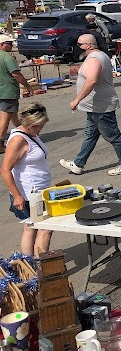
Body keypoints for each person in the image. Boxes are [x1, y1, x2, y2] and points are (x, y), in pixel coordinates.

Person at [59, 34, 121, 176]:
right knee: (90, 135)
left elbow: (92, 80)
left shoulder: (94, 59)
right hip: (94, 106)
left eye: (79, 44)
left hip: (101, 106)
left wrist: (77, 99)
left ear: (88, 45)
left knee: (113, 136)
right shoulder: (99, 56)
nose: (77, 46)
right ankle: (78, 163)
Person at [1, 101, 53, 255]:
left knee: (31, 227)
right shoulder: (18, 139)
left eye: (41, 125)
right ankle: (40, 266)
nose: (39, 129)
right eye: (36, 126)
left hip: (37, 191)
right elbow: (4, 170)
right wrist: (17, 196)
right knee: (45, 229)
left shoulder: (31, 134)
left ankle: (30, 267)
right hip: (30, 194)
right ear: (26, 123)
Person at [0, 34, 34, 152]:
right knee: (5, 117)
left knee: (14, 115)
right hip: (7, 91)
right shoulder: (7, 58)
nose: (11, 45)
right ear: (2, 44)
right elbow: (16, 74)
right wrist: (28, 86)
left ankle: (27, 133)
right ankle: (0, 143)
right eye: (9, 43)